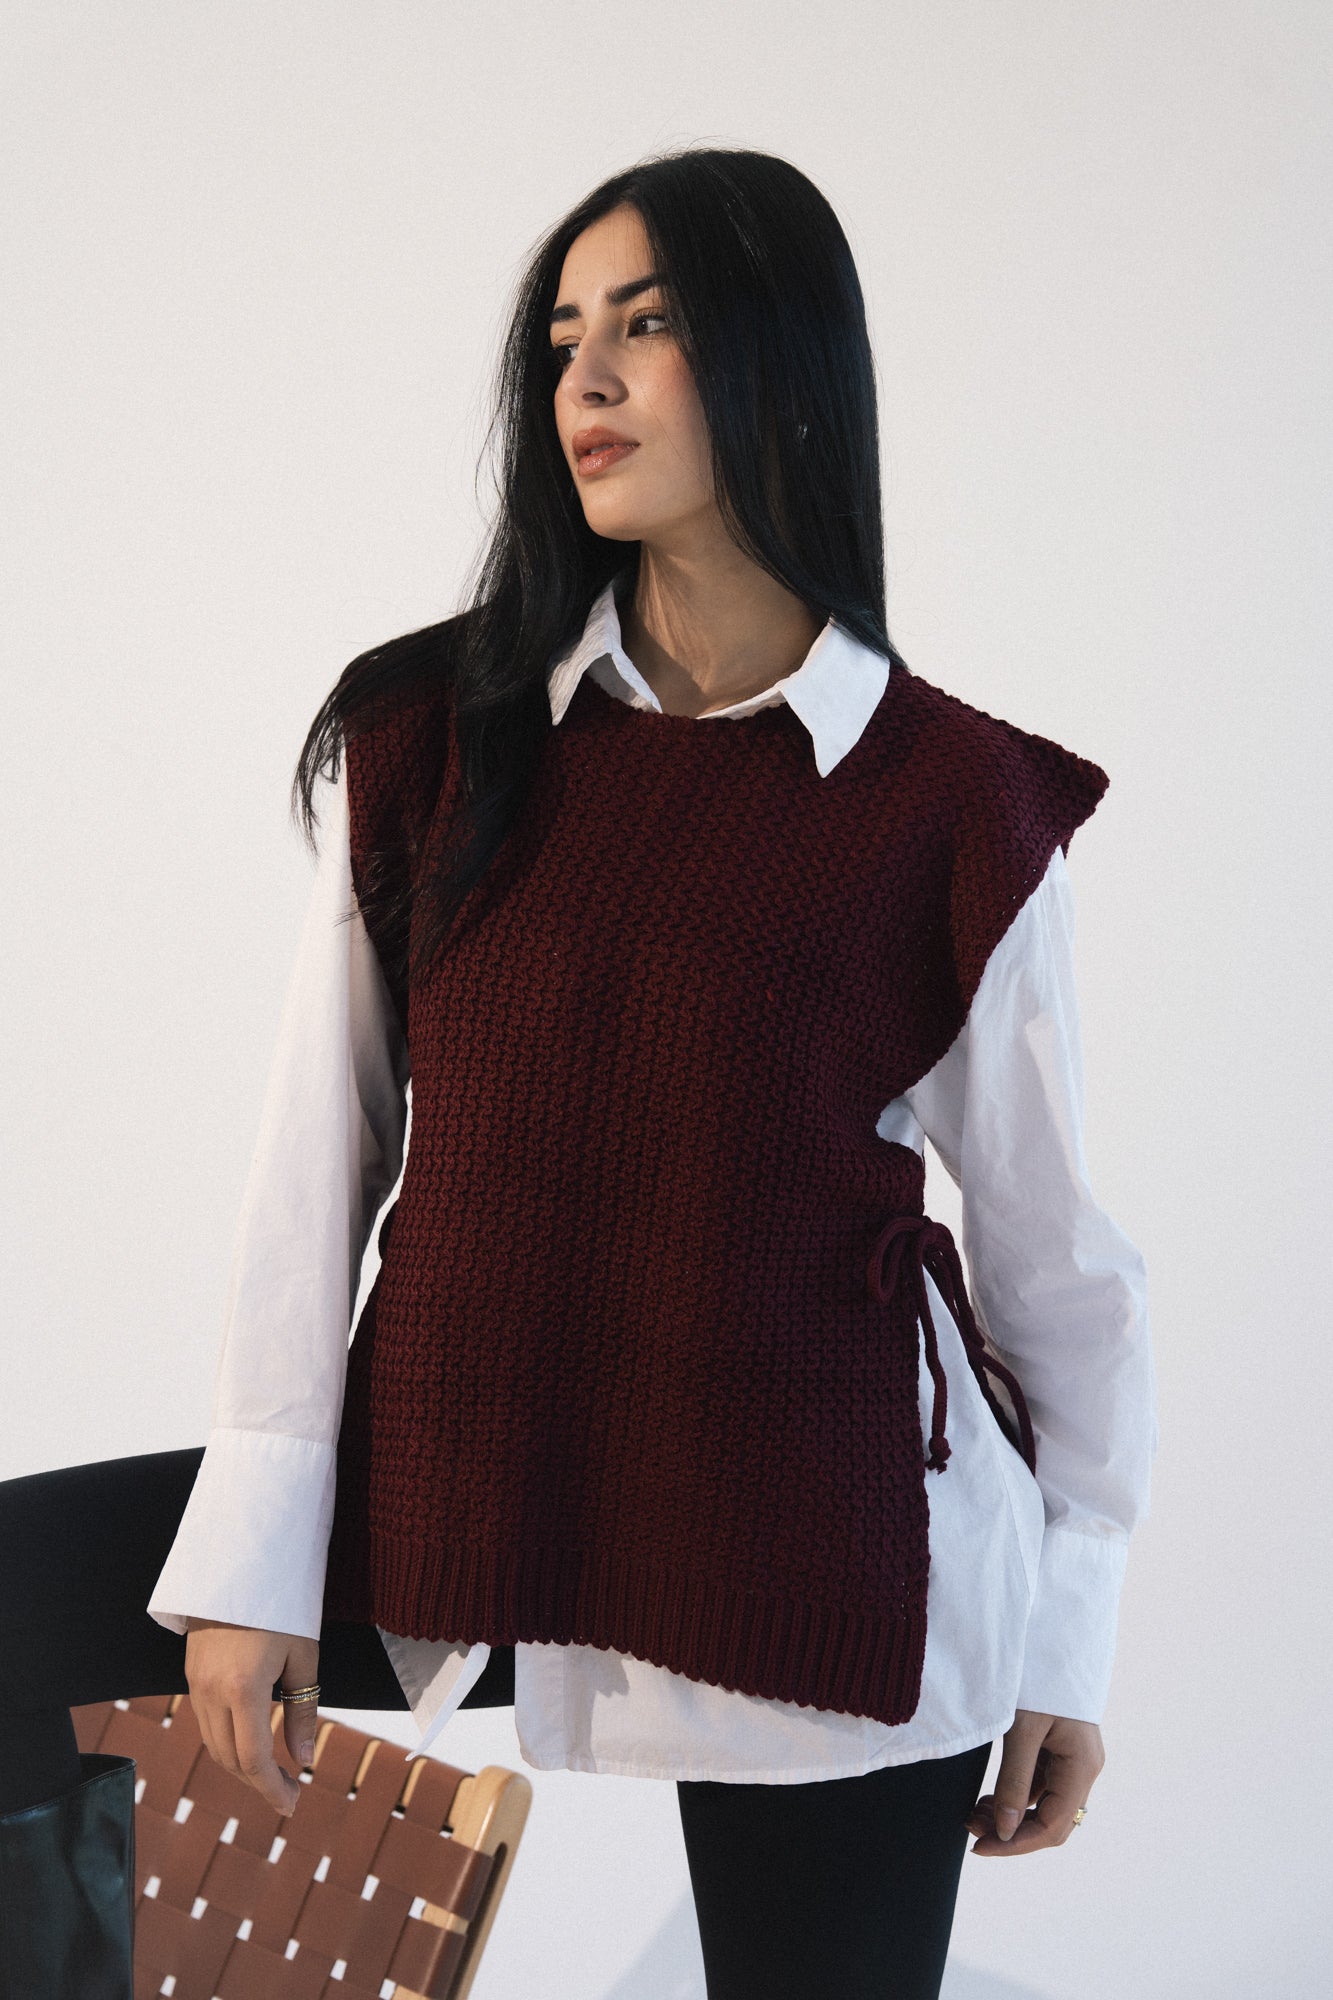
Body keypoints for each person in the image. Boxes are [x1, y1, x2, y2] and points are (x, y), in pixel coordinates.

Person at [0, 147, 1156, 2000]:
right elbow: (317, 1161)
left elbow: (1056, 1266)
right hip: (465, 1472)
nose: (585, 382)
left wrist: (1064, 1644)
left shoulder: (953, 806)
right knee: (19, 1593)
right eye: (561, 341)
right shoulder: (436, 738)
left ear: (786, 370)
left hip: (815, 1537)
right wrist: (252, 1564)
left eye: (649, 324)